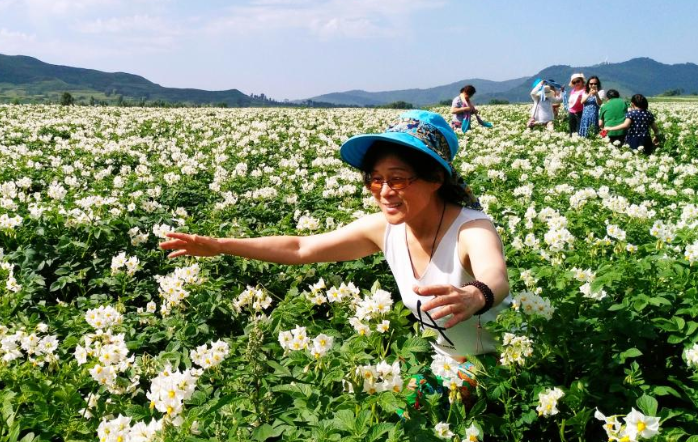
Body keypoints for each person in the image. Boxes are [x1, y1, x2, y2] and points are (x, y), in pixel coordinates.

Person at [161, 111, 511, 405]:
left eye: (398, 180)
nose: (384, 192)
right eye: (375, 180)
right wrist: (220, 245)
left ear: (435, 178)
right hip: (446, 365)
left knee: (403, 409)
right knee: (369, 400)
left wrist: (475, 295)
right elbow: (300, 248)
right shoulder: (384, 229)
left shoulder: (471, 228)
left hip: (503, 365)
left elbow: (495, 274)